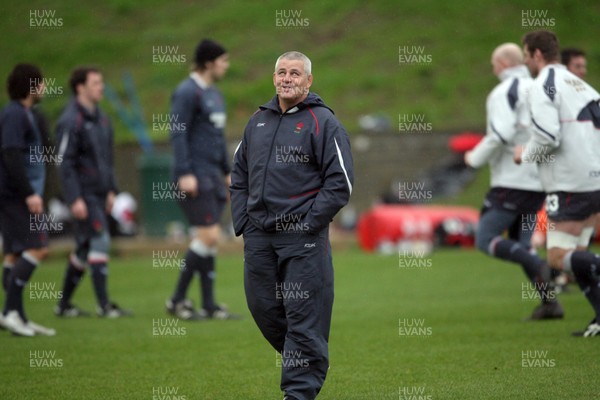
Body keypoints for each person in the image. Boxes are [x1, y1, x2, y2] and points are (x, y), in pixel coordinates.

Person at [231, 51, 354, 400]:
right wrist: (243, 220)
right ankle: (309, 355)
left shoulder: (323, 122)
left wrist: (310, 223)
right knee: (264, 308)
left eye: (295, 73)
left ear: (308, 80)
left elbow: (340, 182)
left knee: (302, 314)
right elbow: (238, 174)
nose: (287, 78)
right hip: (258, 237)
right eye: (282, 72)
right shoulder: (257, 120)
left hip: (303, 239)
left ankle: (298, 392)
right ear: (274, 78)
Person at [465, 43, 562, 320]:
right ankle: (550, 304)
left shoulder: (504, 91)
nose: (493, 69)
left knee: (485, 239)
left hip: (511, 181)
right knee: (522, 243)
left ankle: (540, 265)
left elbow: (500, 133)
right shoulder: (539, 88)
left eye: (494, 64)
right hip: (536, 185)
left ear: (504, 64)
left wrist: (474, 158)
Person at [515, 30, 600, 337]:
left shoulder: (543, 86)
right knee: (579, 257)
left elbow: (549, 137)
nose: (525, 60)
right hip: (594, 179)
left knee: (558, 258)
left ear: (537, 55)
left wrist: (524, 154)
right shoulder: (581, 85)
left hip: (570, 184)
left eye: (526, 54)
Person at [166, 39, 237, 320]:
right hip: (194, 175)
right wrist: (185, 172)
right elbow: (178, 132)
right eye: (223, 61)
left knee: (210, 240)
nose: (226, 66)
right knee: (208, 235)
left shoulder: (215, 95)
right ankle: (176, 300)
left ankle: (208, 305)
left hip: (212, 175)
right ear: (208, 62)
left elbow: (217, 138)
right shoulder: (186, 92)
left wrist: (227, 170)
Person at [54, 66, 130, 318]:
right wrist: (74, 197)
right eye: (96, 83)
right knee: (101, 240)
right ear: (80, 88)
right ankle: (104, 305)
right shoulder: (70, 120)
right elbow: (64, 162)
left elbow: (107, 159)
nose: (101, 87)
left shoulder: (102, 118)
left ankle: (63, 305)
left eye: (101, 82)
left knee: (85, 248)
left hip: (100, 193)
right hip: (84, 195)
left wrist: (111, 190)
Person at [0, 63, 55, 336]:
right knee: (38, 248)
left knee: (14, 253)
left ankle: (17, 316)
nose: (44, 87)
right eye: (41, 82)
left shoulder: (25, 113)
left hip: (17, 196)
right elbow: (10, 154)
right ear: (31, 85)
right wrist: (29, 193)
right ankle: (9, 311)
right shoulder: (14, 114)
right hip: (16, 197)